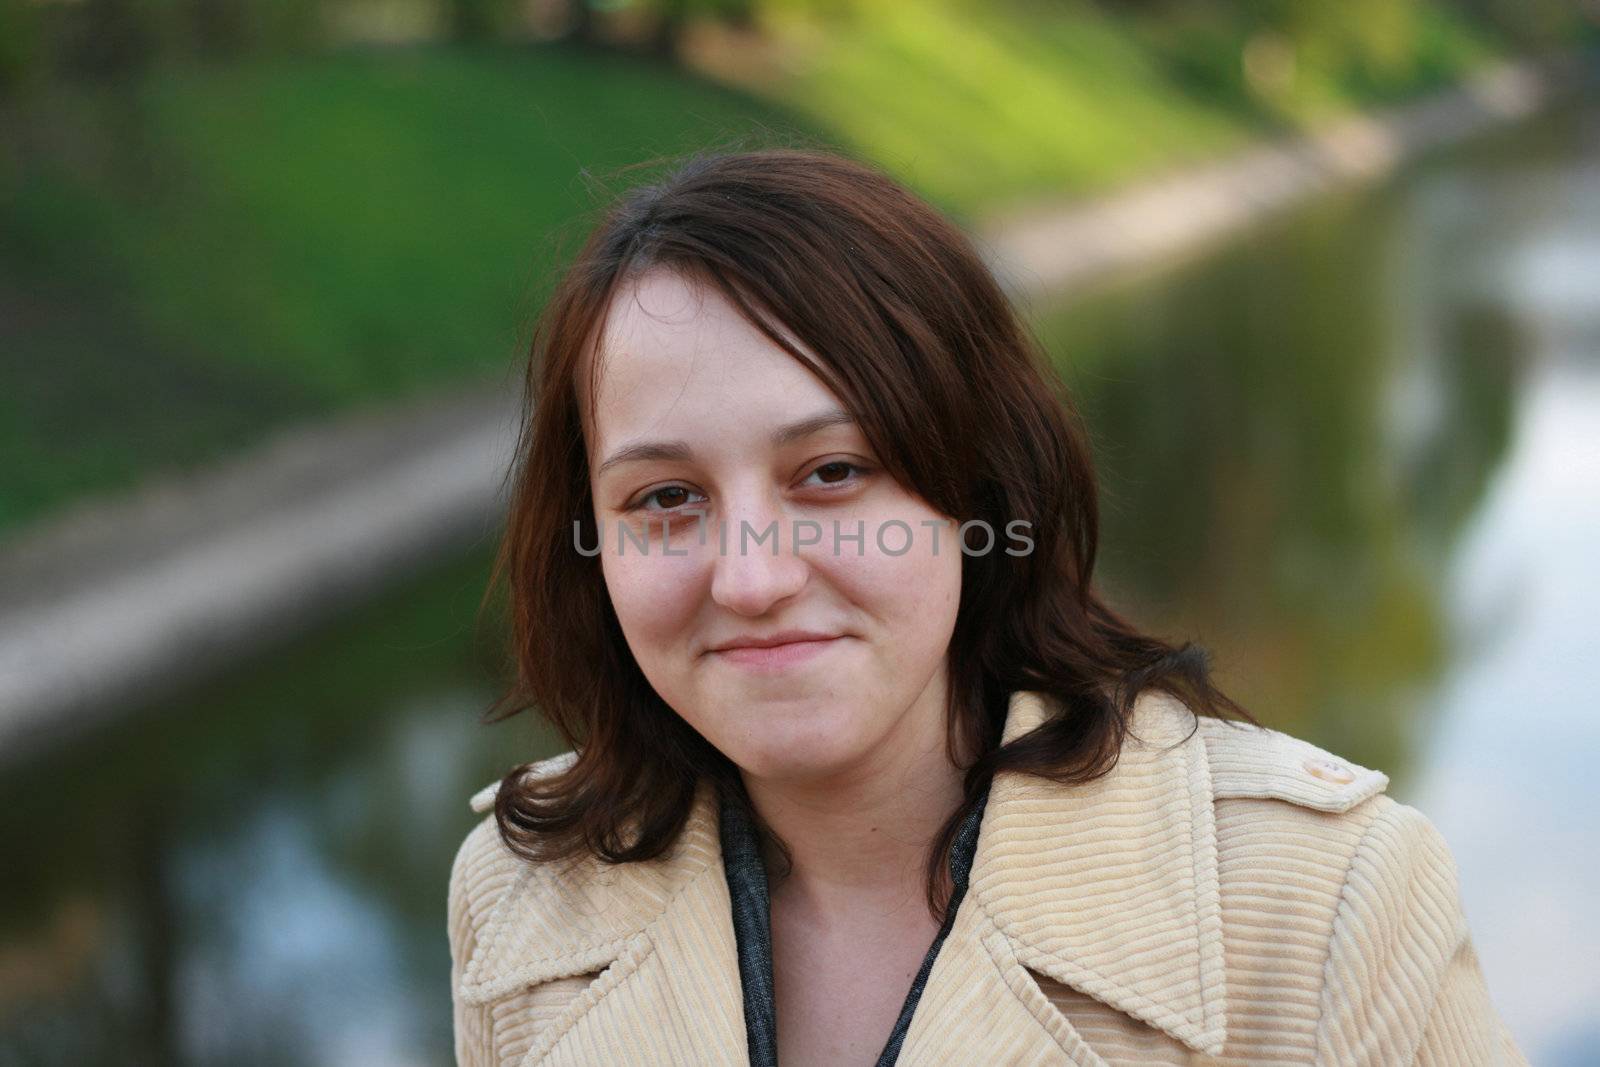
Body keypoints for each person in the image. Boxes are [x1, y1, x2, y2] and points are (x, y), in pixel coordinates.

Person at [448, 146, 1524, 1066]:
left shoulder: (1327, 898)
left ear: (980, 488)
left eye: (831, 471)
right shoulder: (517, 893)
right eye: (665, 498)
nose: (751, 577)